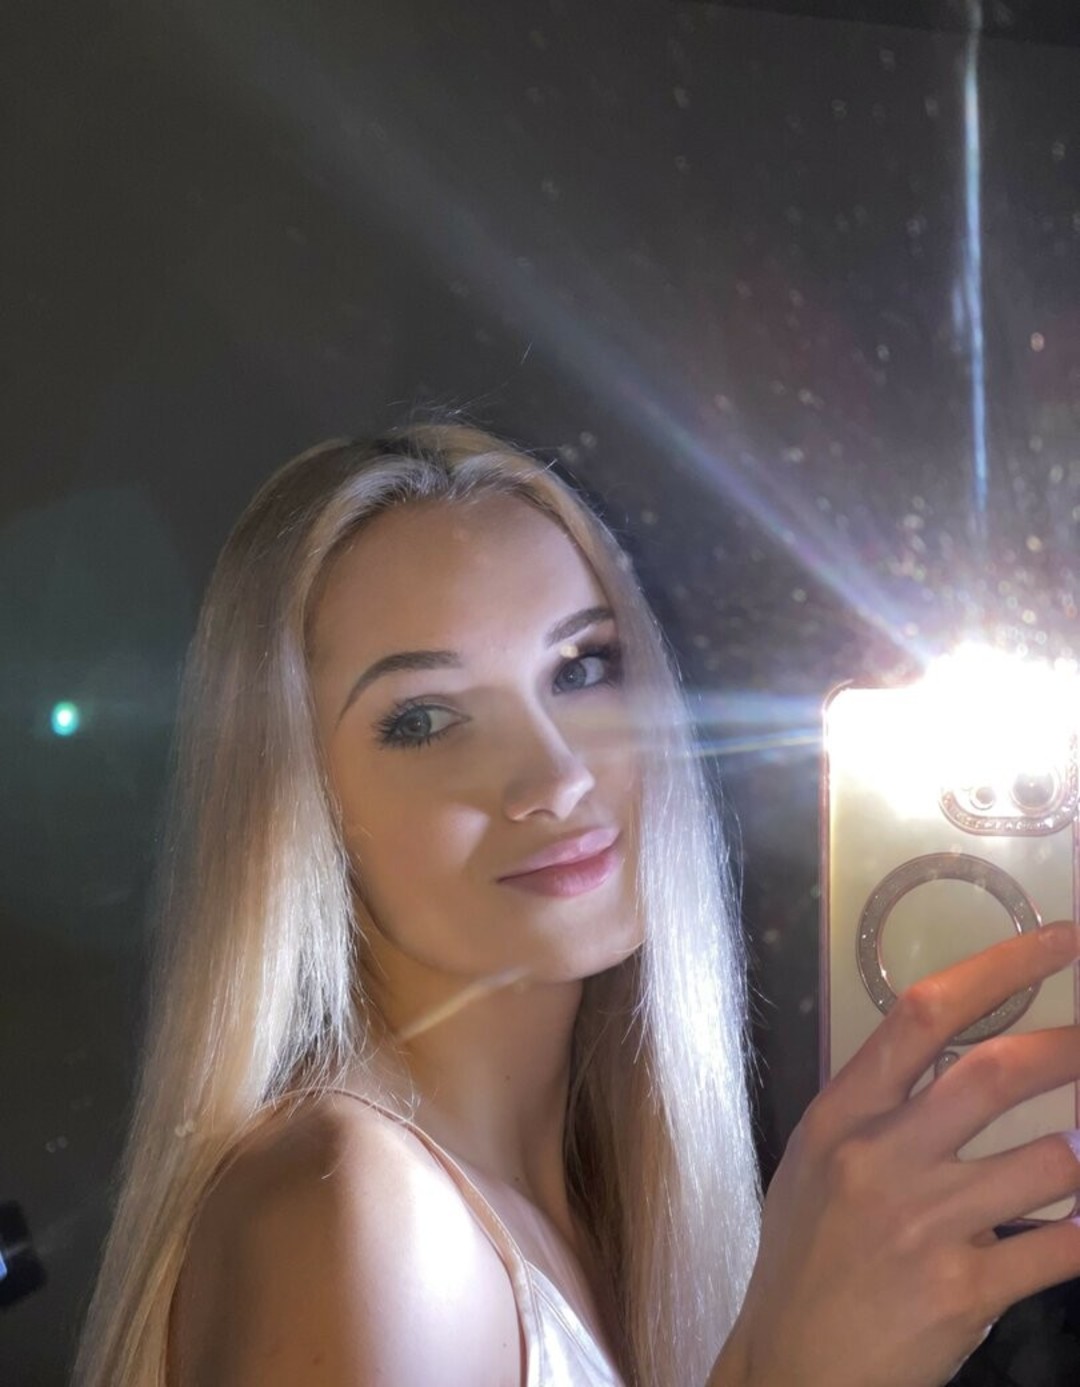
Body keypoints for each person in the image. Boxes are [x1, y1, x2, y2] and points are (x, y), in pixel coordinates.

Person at [73, 418, 1080, 1387]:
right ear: (297, 806)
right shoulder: (360, 1205)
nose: (555, 777)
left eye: (581, 668)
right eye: (425, 719)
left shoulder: (591, 1217)